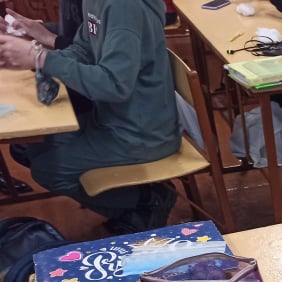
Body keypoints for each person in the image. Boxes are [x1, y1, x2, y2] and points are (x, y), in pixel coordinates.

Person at [0, 0, 179, 234]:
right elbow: (83, 49)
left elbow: (115, 85)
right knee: (35, 148)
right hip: (114, 119)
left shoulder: (123, 8)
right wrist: (36, 48)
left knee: (48, 170)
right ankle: (133, 205)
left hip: (142, 134)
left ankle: (147, 200)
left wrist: (41, 58)